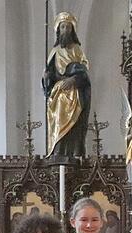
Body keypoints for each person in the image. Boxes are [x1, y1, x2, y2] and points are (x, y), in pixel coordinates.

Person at [42, 11, 91, 159]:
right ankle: (58, 151)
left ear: (72, 30)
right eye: (63, 27)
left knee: (75, 124)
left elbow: (84, 71)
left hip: (74, 93)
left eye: (68, 27)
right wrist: (47, 77)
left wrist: (73, 80)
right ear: (58, 30)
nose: (65, 30)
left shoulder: (77, 50)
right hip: (58, 94)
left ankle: (74, 152)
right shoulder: (54, 51)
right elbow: (50, 75)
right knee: (58, 122)